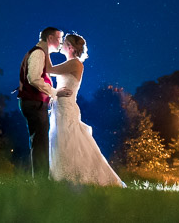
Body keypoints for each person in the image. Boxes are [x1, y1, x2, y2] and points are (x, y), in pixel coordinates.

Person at [46, 33, 125, 187]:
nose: (61, 45)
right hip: (60, 106)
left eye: (64, 43)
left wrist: (46, 48)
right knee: (60, 140)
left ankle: (73, 176)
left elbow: (49, 69)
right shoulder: (70, 63)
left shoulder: (74, 63)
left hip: (66, 107)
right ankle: (62, 176)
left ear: (70, 47)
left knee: (69, 141)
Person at [17, 27, 69, 179]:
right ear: (51, 38)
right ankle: (41, 182)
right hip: (34, 103)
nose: (61, 42)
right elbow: (34, 78)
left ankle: (40, 180)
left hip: (34, 102)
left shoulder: (40, 53)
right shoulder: (39, 53)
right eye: (59, 38)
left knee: (39, 142)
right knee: (40, 143)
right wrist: (54, 92)